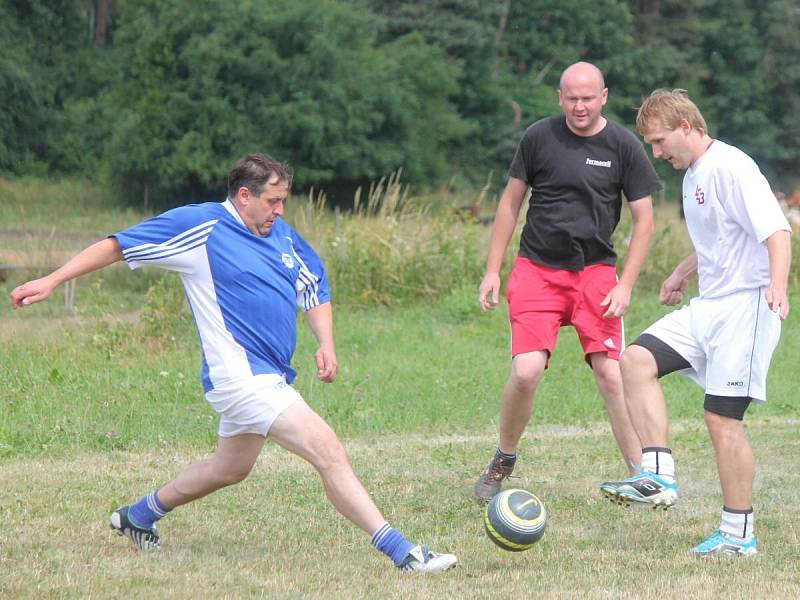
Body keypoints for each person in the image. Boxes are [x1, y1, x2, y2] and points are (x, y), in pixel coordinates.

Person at [11, 154, 457, 573]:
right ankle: (404, 553)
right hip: (242, 379)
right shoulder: (201, 226)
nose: (280, 210)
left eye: (283, 201)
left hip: (269, 376)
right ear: (244, 196)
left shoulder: (281, 235)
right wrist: (52, 280)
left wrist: (327, 342)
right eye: (272, 201)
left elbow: (313, 285)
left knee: (230, 470)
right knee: (328, 450)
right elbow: (117, 245)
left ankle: (137, 515)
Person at [600, 89, 791, 557]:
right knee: (636, 359)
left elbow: (776, 230)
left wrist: (778, 287)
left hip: (746, 309)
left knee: (722, 420)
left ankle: (738, 535)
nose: (657, 152)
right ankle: (658, 473)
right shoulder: (694, 175)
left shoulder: (732, 167)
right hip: (710, 307)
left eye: (661, 141)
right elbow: (723, 239)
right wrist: (681, 273)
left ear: (687, 126)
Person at [474, 62, 661, 503]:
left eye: (588, 98)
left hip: (596, 272)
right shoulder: (539, 137)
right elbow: (509, 204)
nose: (580, 106)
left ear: (604, 97)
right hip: (537, 269)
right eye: (571, 98)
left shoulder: (623, 145)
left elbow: (645, 220)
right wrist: (491, 270)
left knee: (612, 376)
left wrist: (626, 284)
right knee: (526, 371)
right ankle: (504, 457)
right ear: (560, 98)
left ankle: (640, 476)